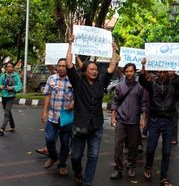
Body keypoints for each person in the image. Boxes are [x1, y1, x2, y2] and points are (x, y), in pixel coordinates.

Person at [66, 36, 117, 186]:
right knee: (75, 157)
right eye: (92, 69)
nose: (95, 71)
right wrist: (70, 44)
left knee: (93, 156)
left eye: (96, 69)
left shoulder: (101, 83)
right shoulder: (78, 82)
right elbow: (69, 64)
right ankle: (78, 172)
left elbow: (111, 68)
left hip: (96, 127)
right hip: (80, 126)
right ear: (85, 70)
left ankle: (87, 183)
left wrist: (113, 50)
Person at [139, 58, 179, 186]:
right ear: (157, 73)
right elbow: (141, 80)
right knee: (150, 149)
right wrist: (143, 66)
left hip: (168, 121)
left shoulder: (174, 84)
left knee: (167, 151)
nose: (161, 74)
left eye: (164, 72)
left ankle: (164, 177)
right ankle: (148, 166)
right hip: (154, 121)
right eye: (159, 72)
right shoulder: (152, 84)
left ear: (168, 73)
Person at [110, 63, 147, 179]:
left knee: (133, 147)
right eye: (127, 71)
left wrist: (143, 119)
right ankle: (117, 169)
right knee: (118, 146)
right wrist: (113, 117)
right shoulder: (119, 86)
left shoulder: (140, 87)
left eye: (131, 71)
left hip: (134, 121)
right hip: (121, 120)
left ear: (134, 72)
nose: (129, 73)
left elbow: (144, 104)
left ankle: (131, 167)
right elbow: (115, 102)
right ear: (125, 72)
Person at [41, 58, 74, 176]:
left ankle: (62, 164)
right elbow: (47, 96)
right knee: (49, 139)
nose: (61, 68)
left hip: (67, 116)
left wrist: (73, 104)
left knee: (65, 143)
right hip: (52, 115)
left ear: (68, 67)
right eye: (59, 66)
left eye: (64, 66)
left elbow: (79, 95)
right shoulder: (52, 78)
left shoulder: (73, 80)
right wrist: (44, 111)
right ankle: (53, 156)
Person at [0, 62, 22, 136]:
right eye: (8, 66)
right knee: (8, 111)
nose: (9, 68)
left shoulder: (16, 76)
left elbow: (19, 86)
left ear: (13, 68)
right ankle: (12, 126)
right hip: (3, 96)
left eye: (11, 66)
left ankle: (2, 128)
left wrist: (13, 87)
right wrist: (0, 87)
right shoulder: (3, 76)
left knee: (6, 112)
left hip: (11, 96)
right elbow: (0, 84)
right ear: (6, 68)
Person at [167, 71, 179, 145]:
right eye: (168, 70)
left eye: (171, 70)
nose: (170, 72)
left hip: (175, 101)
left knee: (174, 120)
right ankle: (167, 137)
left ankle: (174, 137)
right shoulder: (164, 78)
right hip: (165, 101)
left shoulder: (178, 79)